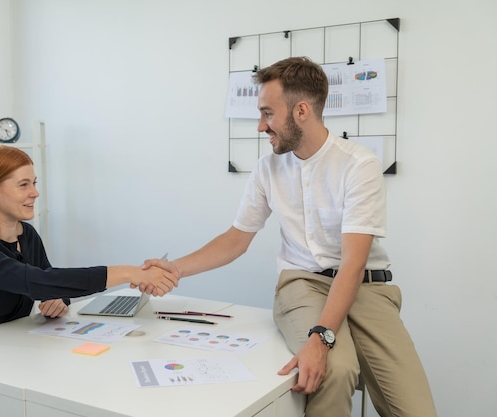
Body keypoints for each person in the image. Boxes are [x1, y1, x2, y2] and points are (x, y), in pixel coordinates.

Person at [142, 57, 437, 417]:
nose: (260, 126)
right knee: (335, 369)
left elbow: (353, 263)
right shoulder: (268, 168)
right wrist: (173, 269)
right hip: (304, 284)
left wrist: (321, 337)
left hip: (366, 288)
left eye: (267, 113)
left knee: (415, 409)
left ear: (301, 111)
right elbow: (236, 238)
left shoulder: (358, 165)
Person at [0, 145, 176, 341]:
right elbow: (38, 283)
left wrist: (57, 299)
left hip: (4, 347)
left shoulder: (25, 235)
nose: (35, 193)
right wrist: (128, 273)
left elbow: (50, 282)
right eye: (23, 185)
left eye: (34, 183)